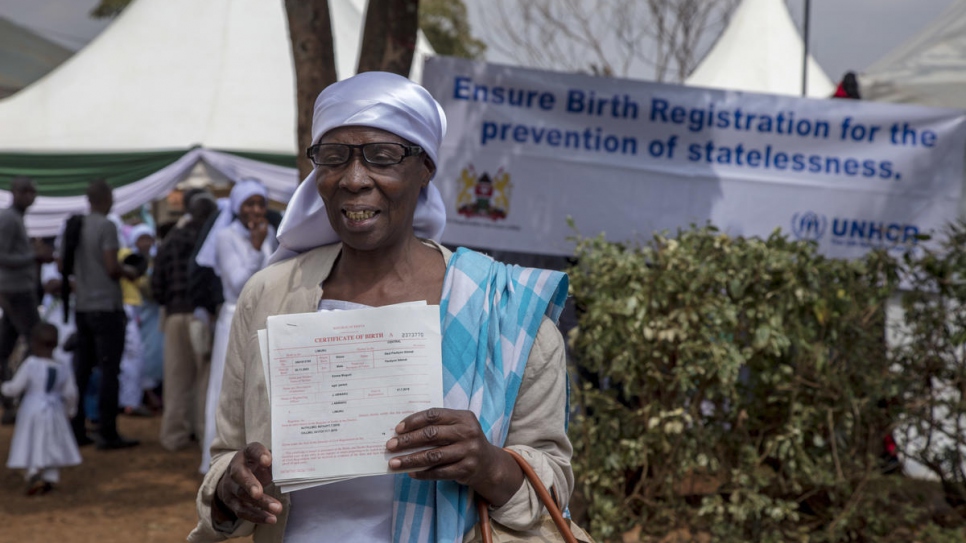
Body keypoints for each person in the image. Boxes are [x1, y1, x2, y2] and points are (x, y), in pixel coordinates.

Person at [188, 72, 571, 543]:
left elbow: (552, 481)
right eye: (332, 158)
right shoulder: (270, 296)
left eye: (382, 157)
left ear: (425, 166)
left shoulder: (501, 307)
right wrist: (232, 491)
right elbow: (226, 461)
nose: (353, 179)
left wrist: (489, 465)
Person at [194, 178, 277, 474]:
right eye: (249, 204)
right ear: (237, 207)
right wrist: (256, 249)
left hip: (265, 319)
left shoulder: (268, 234)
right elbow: (238, 283)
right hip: (233, 319)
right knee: (226, 388)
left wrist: (261, 243)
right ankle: (217, 460)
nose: (255, 210)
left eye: (260, 203)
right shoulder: (226, 237)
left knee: (261, 388)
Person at [67, 179, 141, 450]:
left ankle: (77, 429)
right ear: (106, 198)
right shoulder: (106, 225)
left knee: (82, 370)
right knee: (110, 370)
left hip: (83, 306)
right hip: (107, 308)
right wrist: (131, 272)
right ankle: (107, 432)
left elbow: (65, 264)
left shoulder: (77, 225)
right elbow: (112, 267)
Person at [154, 190, 218, 451]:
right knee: (204, 378)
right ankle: (205, 436)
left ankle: (174, 436)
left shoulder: (172, 239)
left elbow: (156, 279)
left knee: (176, 378)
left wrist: (168, 303)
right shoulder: (210, 239)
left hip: (175, 314)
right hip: (201, 316)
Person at [1, 322, 82, 495]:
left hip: (32, 408)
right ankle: (50, 476)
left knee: (33, 439)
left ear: (33, 343)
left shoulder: (31, 364)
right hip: (55, 410)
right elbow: (71, 393)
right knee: (51, 441)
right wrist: (70, 411)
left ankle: (33, 473)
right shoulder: (62, 366)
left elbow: (16, 387)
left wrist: (4, 387)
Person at [0, 176, 54, 425]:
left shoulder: (16, 218)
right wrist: (34, 256)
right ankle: (25, 397)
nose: (31, 197)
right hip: (15, 291)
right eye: (27, 192)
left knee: (6, 346)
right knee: (37, 340)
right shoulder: (9, 219)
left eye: (33, 192)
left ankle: (10, 398)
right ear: (17, 192)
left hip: (16, 289)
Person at [117, 224, 156, 417]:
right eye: (142, 239)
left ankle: (130, 400)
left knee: (133, 356)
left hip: (133, 309)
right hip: (124, 308)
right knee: (132, 357)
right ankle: (129, 403)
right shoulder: (124, 254)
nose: (146, 243)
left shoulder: (147, 260)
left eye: (149, 238)